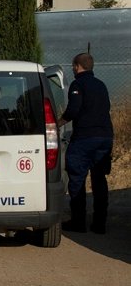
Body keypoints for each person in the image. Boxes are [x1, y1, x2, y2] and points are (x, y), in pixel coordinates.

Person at [57, 53, 114, 234]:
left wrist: (57, 123)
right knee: (99, 180)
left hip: (84, 138)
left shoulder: (78, 84)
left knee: (77, 179)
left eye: (73, 66)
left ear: (77, 66)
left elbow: (73, 110)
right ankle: (99, 224)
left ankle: (78, 222)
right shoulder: (101, 84)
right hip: (105, 137)